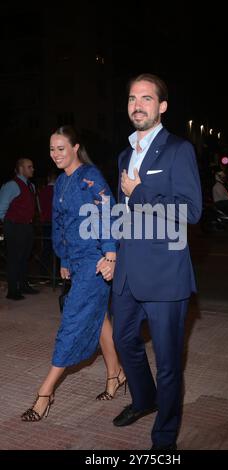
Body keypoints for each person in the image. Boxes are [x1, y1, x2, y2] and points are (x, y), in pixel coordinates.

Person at [106, 73, 202, 450]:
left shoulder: (179, 150)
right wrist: (113, 252)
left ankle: (164, 439)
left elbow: (191, 211)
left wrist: (141, 191)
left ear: (161, 106)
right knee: (123, 340)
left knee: (168, 363)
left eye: (146, 98)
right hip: (128, 273)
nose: (137, 105)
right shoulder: (124, 155)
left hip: (165, 277)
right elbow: (123, 212)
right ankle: (144, 400)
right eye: (132, 98)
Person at [21, 125, 126, 422]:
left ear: (75, 148)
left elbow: (109, 213)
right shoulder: (62, 182)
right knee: (98, 317)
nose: (55, 154)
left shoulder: (89, 177)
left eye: (61, 148)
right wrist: (63, 257)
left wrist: (110, 254)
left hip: (95, 262)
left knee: (72, 321)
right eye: (52, 149)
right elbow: (59, 222)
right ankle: (114, 375)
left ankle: (45, 392)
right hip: (76, 261)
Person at [0, 158, 39, 300]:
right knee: (14, 258)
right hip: (15, 226)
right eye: (29, 167)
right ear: (21, 169)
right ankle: (12, 290)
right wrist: (10, 223)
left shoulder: (31, 186)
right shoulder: (12, 185)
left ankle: (23, 285)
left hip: (26, 226)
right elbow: (1, 208)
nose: (32, 169)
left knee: (24, 258)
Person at [38, 168, 58, 279]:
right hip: (56, 223)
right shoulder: (58, 190)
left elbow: (40, 207)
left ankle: (44, 275)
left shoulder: (42, 191)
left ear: (48, 179)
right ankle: (58, 276)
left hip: (45, 222)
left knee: (46, 248)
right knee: (58, 249)